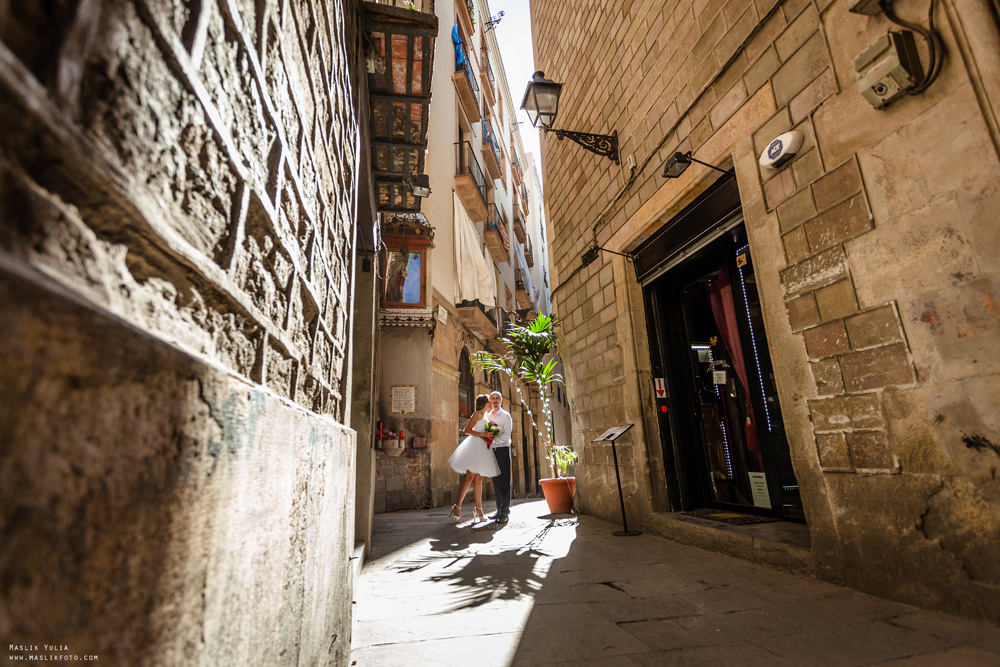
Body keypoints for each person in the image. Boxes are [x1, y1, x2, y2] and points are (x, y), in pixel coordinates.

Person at [447, 395, 500, 522]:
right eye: (488, 402)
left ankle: (479, 509)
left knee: (479, 479)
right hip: (474, 446)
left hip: (483, 448)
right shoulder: (477, 414)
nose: (490, 404)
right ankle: (457, 507)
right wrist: (483, 434)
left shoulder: (486, 417)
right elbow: (467, 430)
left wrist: (490, 435)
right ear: (483, 403)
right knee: (469, 477)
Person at [485, 390, 513, 525]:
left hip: (503, 450)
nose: (495, 400)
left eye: (497, 398)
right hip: (492, 452)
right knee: (495, 482)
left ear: (501, 401)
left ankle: (505, 512)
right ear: (490, 401)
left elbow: (506, 436)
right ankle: (499, 509)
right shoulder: (488, 416)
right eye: (493, 398)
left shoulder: (506, 416)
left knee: (504, 482)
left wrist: (492, 440)